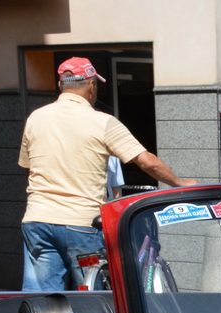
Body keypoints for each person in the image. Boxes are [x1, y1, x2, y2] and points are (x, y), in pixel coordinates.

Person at [19, 56, 195, 291]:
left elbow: (29, 170)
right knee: (92, 297)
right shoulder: (101, 121)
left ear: (61, 85)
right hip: (80, 224)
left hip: (37, 220)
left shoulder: (36, 118)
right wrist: (179, 183)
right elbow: (147, 162)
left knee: (43, 299)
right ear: (91, 85)